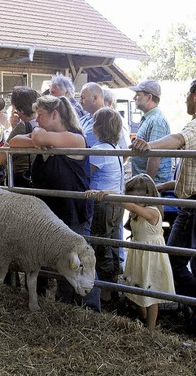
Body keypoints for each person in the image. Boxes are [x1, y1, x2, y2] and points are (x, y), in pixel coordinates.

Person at [131, 77, 196, 341]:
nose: (186, 99)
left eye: (188, 95)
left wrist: (149, 145)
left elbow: (178, 139)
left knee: (173, 261)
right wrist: (166, 185)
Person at [9, 94, 97, 309]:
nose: (36, 120)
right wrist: (39, 140)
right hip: (48, 215)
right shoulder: (48, 138)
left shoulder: (75, 138)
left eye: (40, 115)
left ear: (55, 114)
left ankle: (86, 310)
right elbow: (12, 142)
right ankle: (43, 302)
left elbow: (38, 137)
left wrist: (39, 138)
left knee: (75, 260)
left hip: (72, 212)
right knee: (41, 256)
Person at [90, 174, 175, 331]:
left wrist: (115, 195)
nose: (131, 200)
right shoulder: (137, 209)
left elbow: (132, 207)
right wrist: (102, 193)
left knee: (151, 293)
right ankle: (142, 318)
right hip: (138, 253)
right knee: (135, 287)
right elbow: (125, 204)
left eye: (133, 197)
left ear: (146, 196)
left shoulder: (152, 211)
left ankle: (151, 328)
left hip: (151, 255)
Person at [84, 107, 125, 293]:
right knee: (114, 243)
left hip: (103, 203)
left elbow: (86, 174)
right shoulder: (115, 148)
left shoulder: (98, 150)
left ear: (96, 128)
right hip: (117, 202)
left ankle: (105, 290)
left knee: (101, 246)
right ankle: (114, 284)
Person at [129, 80, 172, 185]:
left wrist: (146, 187)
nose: (134, 98)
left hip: (153, 186)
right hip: (146, 183)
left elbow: (155, 157)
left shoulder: (157, 121)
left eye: (138, 95)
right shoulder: (149, 118)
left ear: (149, 97)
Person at [0, 86, 39, 187]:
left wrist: (14, 130)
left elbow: (1, 159)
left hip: (21, 180)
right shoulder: (42, 124)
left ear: (19, 109)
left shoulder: (22, 126)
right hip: (37, 176)